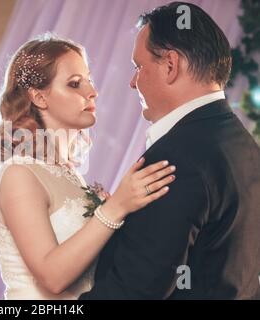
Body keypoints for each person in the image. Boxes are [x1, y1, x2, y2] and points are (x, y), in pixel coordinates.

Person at [80, 2, 260, 300]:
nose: (132, 82)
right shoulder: (245, 146)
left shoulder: (174, 159)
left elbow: (136, 291)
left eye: (138, 67)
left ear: (170, 65)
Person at [0, 33, 176, 299]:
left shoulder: (70, 174)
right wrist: (115, 207)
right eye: (75, 84)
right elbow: (52, 278)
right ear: (39, 98)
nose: (92, 91)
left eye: (88, 79)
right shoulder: (19, 174)